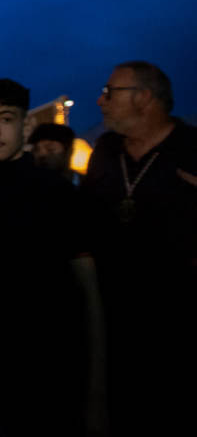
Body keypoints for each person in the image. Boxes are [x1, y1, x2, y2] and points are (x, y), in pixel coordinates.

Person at [0, 78, 106, 436]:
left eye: (4, 118)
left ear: (25, 125)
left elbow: (89, 291)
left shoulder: (58, 194)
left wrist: (96, 392)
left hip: (48, 368)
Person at [83, 61, 195, 436]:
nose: (101, 101)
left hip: (178, 334)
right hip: (111, 326)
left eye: (111, 92)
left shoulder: (190, 149)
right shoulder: (105, 152)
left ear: (144, 98)